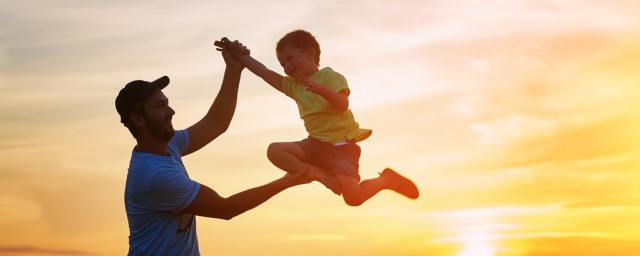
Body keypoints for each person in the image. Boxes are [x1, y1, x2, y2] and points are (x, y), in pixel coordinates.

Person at [115, 38, 311, 255]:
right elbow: (225, 208)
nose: (171, 112)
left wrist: (233, 70)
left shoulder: (169, 145)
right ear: (139, 120)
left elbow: (216, 123)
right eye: (160, 107)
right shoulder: (155, 176)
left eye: (167, 104)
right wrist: (287, 181)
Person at [220, 30, 419, 206]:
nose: (286, 66)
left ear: (310, 53)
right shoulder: (294, 86)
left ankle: (385, 180)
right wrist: (241, 56)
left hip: (341, 148)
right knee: (275, 151)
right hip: (315, 145)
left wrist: (321, 90)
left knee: (353, 199)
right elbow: (264, 72)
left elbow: (342, 104)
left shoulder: (329, 76)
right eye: (282, 63)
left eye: (290, 59)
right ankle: (320, 175)